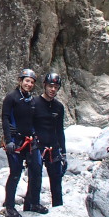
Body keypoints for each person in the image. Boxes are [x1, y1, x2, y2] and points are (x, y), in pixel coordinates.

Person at [1, 68, 45, 217]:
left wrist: (37, 138)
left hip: (29, 140)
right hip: (15, 142)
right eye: (27, 81)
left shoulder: (32, 100)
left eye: (32, 82)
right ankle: (9, 206)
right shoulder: (11, 98)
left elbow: (34, 121)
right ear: (20, 81)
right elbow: (5, 119)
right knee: (15, 173)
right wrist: (9, 140)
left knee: (36, 170)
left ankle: (33, 203)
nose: (29, 84)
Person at [31, 72, 67, 208]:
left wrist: (64, 152)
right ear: (45, 85)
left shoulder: (59, 107)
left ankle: (58, 208)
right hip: (37, 146)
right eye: (51, 86)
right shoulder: (34, 103)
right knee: (35, 179)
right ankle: (30, 207)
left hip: (53, 147)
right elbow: (29, 126)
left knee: (56, 181)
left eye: (56, 87)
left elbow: (60, 130)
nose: (53, 89)